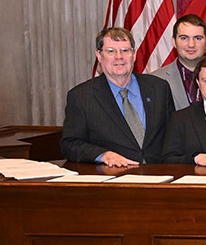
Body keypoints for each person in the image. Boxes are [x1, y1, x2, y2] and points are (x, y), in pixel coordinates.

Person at [61, 27, 174, 166]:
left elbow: (173, 135)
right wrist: (103, 155)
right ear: (99, 55)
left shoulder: (159, 88)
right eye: (111, 51)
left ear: (134, 54)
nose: (119, 56)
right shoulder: (81, 96)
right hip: (114, 179)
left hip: (160, 174)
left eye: (125, 50)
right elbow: (70, 144)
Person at [152, 14, 206, 110]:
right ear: (174, 41)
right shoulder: (155, 80)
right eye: (184, 38)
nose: (191, 45)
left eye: (197, 38)